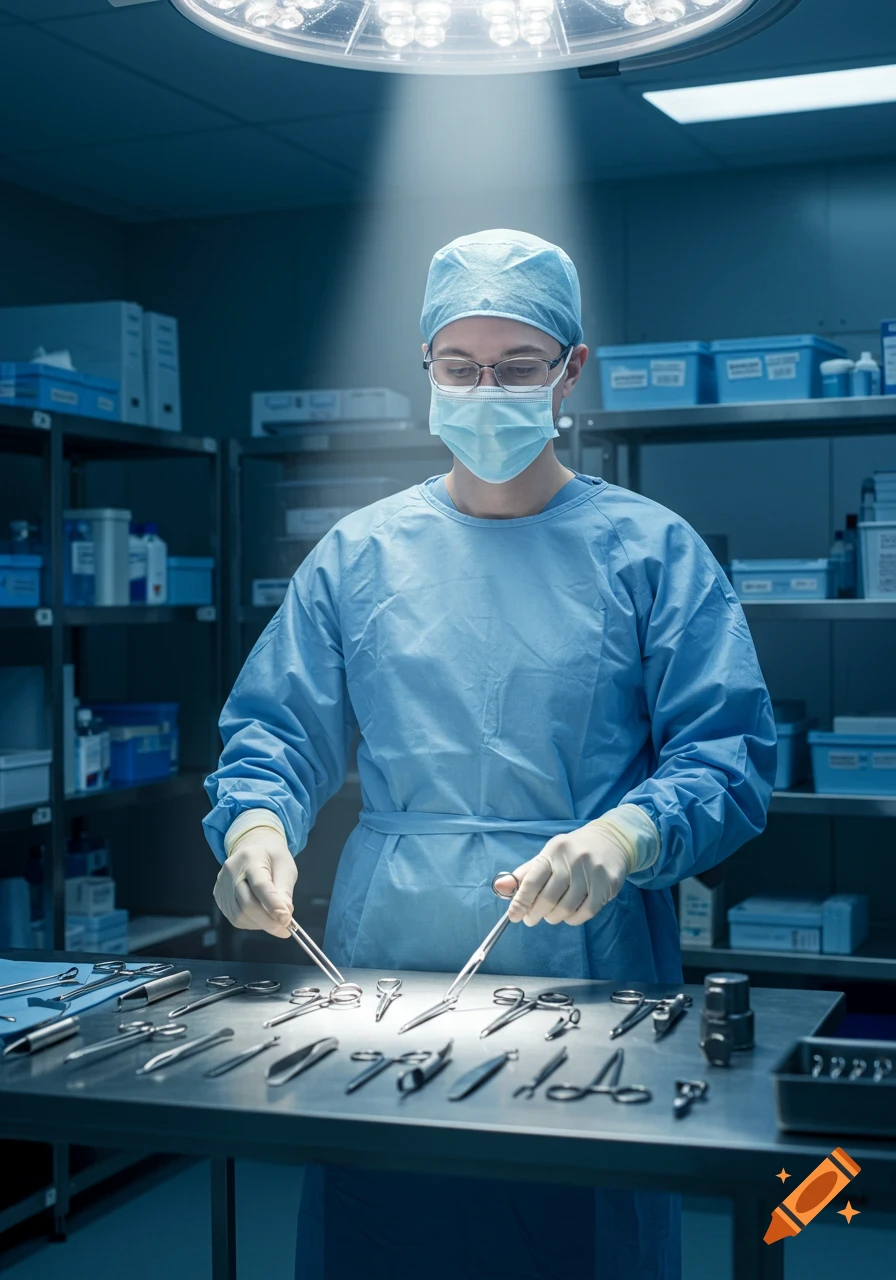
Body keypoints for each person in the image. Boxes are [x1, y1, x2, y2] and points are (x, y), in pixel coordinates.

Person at [205, 228, 777, 1279]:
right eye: (458, 368)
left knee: (578, 1228)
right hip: (387, 965)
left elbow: (730, 755)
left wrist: (626, 829)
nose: (485, 391)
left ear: (570, 369)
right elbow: (275, 733)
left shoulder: (649, 551)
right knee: (386, 1221)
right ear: (424, 368)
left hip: (590, 970)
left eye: (516, 368)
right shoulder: (359, 556)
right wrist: (253, 828)